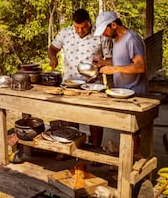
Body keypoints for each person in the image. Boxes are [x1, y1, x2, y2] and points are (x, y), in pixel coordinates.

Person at [48, 9, 112, 147]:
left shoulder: (101, 35)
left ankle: (95, 148)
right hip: (70, 84)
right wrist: (53, 58)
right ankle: (72, 146)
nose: (79, 31)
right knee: (70, 117)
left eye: (83, 27)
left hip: (94, 85)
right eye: (76, 27)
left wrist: (99, 68)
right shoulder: (65, 33)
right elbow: (52, 48)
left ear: (89, 22)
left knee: (94, 119)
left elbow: (111, 60)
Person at [94, 11, 148, 157]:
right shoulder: (116, 40)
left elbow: (140, 66)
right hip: (123, 92)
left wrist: (114, 69)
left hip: (135, 93)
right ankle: (127, 159)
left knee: (133, 131)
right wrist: (104, 63)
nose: (104, 34)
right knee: (127, 130)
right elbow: (121, 62)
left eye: (105, 30)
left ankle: (133, 163)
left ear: (113, 24)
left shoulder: (132, 39)